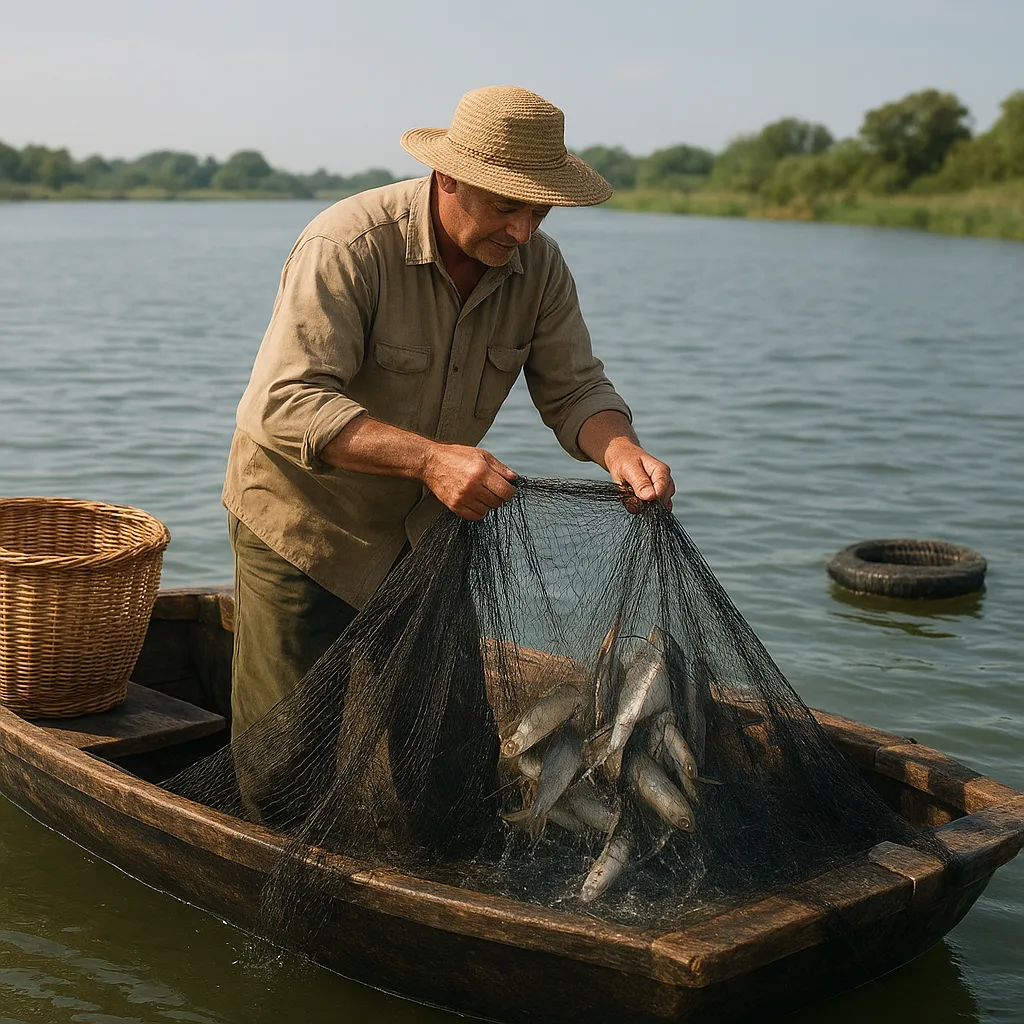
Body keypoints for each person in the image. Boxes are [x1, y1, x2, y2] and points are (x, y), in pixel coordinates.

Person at [223, 85, 675, 738]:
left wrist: (621, 450)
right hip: (307, 528)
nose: (521, 231)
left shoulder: (538, 266)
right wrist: (432, 459)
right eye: (506, 206)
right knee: (286, 750)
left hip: (426, 534)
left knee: (443, 749)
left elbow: (576, 389)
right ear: (448, 178)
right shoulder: (348, 245)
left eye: (540, 212)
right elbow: (286, 403)